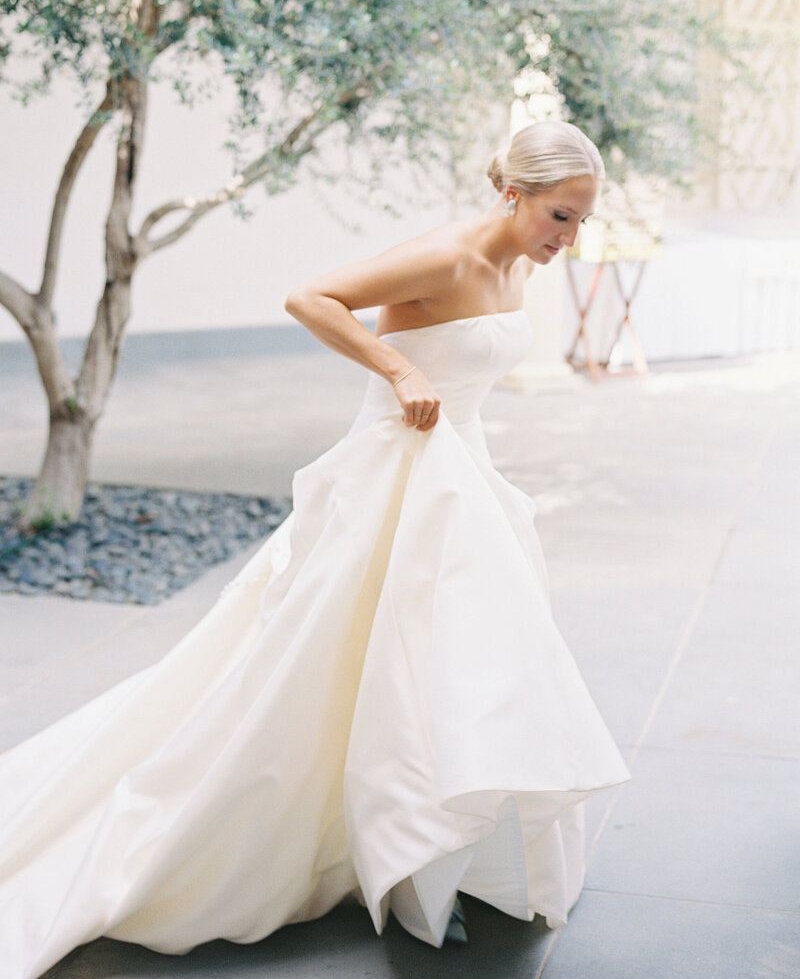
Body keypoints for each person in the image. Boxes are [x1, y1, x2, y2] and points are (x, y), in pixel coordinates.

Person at [0, 120, 629, 979]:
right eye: (561, 216)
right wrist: (399, 368)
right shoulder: (446, 255)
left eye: (581, 222)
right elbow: (310, 296)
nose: (569, 238)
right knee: (339, 657)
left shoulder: (520, 262)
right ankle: (350, 839)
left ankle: (424, 845)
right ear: (513, 194)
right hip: (391, 471)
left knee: (456, 660)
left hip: (458, 474)